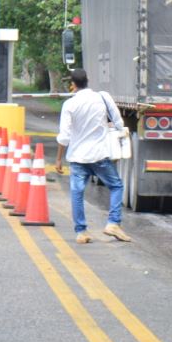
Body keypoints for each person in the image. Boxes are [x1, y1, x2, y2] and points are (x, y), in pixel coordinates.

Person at [53, 68, 132, 244]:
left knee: (77, 193)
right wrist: (120, 143)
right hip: (99, 155)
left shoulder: (69, 105)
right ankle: (113, 223)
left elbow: (64, 136)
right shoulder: (102, 97)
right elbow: (119, 123)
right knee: (116, 186)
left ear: (72, 85)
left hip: (77, 157)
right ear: (88, 80)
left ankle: (81, 232)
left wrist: (58, 158)